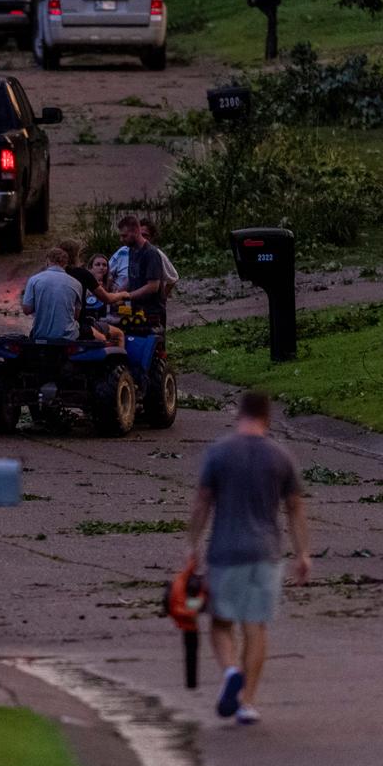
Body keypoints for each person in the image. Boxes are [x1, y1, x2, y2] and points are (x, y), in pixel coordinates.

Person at [187, 391, 310, 725]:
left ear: (239, 415)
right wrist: (302, 553)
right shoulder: (280, 456)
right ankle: (247, 703)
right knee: (255, 626)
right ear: (268, 419)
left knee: (220, 624)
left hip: (226, 552)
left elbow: (203, 501)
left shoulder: (219, 453)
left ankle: (230, 672)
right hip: (266, 553)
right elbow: (295, 507)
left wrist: (192, 546)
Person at [56, 239, 127, 344]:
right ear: (77, 255)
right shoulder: (83, 274)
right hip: (79, 324)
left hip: (57, 324)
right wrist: (124, 294)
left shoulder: (54, 275)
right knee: (118, 334)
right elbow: (107, 298)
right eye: (97, 265)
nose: (101, 268)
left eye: (104, 265)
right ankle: (119, 360)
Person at [22, 247, 84, 340]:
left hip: (40, 335)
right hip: (68, 337)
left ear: (47, 261)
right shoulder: (76, 284)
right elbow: (76, 316)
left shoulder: (34, 280)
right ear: (65, 264)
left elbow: (27, 310)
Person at [116, 214, 168, 326]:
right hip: (136, 310)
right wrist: (118, 292)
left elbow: (153, 286)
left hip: (152, 313)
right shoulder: (132, 250)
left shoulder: (151, 253)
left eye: (124, 236)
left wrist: (128, 296)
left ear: (135, 232)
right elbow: (134, 277)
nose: (121, 239)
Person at [140, 218, 180, 299]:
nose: (142, 238)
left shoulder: (157, 254)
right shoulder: (127, 252)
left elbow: (173, 278)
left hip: (150, 306)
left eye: (145, 235)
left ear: (151, 237)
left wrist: (162, 299)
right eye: (139, 235)